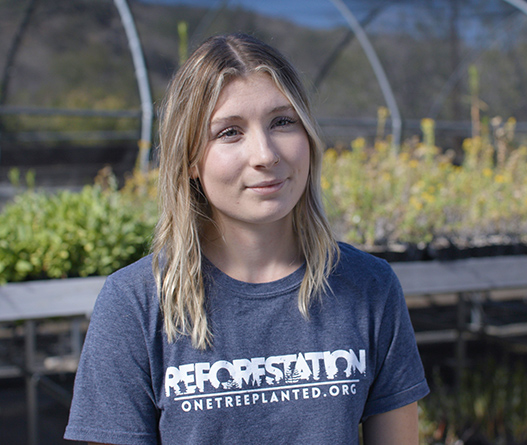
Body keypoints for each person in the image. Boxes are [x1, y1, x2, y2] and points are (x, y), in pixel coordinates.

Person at [64, 33, 428, 444]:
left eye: (282, 122)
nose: (266, 154)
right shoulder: (136, 304)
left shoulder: (368, 287)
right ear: (189, 161)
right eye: (229, 132)